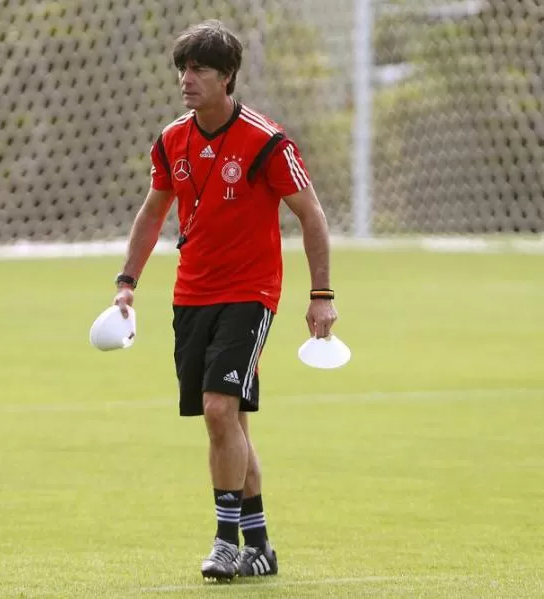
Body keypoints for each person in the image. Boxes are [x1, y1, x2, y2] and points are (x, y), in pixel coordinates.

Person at [111, 20, 338, 582]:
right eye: (183, 69)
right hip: (191, 294)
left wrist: (321, 295)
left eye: (200, 70)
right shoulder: (171, 140)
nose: (187, 79)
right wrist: (127, 282)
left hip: (251, 293)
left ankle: (225, 543)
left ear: (227, 76)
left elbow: (311, 215)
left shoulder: (267, 141)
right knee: (228, 422)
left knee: (218, 409)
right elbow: (152, 212)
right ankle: (260, 545)